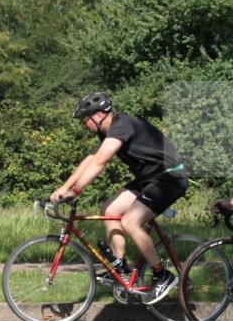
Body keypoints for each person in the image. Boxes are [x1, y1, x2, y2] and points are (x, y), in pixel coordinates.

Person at [51, 92, 189, 305]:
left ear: (98, 116)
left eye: (84, 120)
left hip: (169, 177)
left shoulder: (122, 124)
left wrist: (76, 192)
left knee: (130, 221)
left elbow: (100, 161)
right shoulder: (107, 132)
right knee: (109, 210)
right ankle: (122, 270)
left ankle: (163, 275)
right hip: (149, 178)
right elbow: (89, 159)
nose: (83, 125)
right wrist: (64, 188)